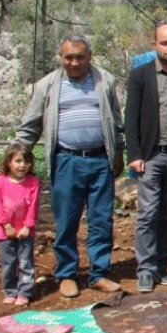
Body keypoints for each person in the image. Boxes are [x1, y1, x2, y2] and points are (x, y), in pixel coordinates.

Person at [15, 34, 124, 298]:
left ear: (90, 56)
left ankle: (99, 274)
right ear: (61, 58)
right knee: (66, 221)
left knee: (101, 220)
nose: (74, 63)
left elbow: (117, 121)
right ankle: (66, 274)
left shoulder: (105, 81)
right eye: (69, 57)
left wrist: (119, 151)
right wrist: (16, 152)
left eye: (80, 57)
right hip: (66, 160)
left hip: (101, 159)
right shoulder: (48, 85)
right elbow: (31, 124)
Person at [125, 24, 167, 292]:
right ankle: (146, 269)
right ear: (155, 45)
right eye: (165, 43)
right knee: (147, 214)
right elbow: (131, 118)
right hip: (151, 155)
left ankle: (162, 266)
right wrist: (135, 154)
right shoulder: (141, 76)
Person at [0, 143, 40, 306]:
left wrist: (27, 226)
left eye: (26, 161)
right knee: (8, 262)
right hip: (5, 231)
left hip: (26, 231)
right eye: (18, 161)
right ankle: (10, 290)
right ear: (8, 162)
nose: (22, 165)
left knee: (26, 262)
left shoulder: (33, 182)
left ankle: (25, 291)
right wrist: (6, 226)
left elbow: (33, 206)